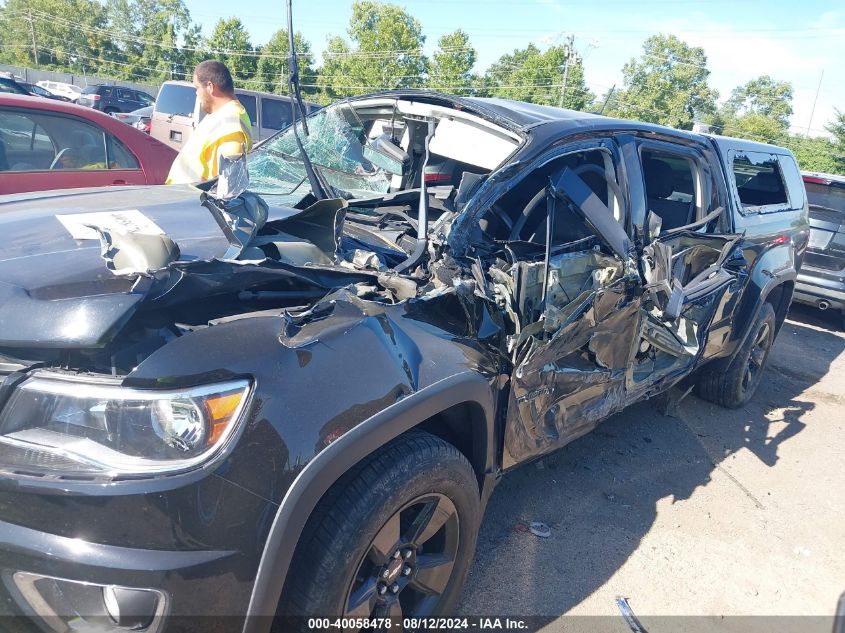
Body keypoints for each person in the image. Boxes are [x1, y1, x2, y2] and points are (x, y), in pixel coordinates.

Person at [166, 60, 253, 184]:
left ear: (210, 87)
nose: (196, 93)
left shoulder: (232, 122)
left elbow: (229, 185)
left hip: (192, 200)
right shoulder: (221, 115)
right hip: (180, 197)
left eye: (197, 88)